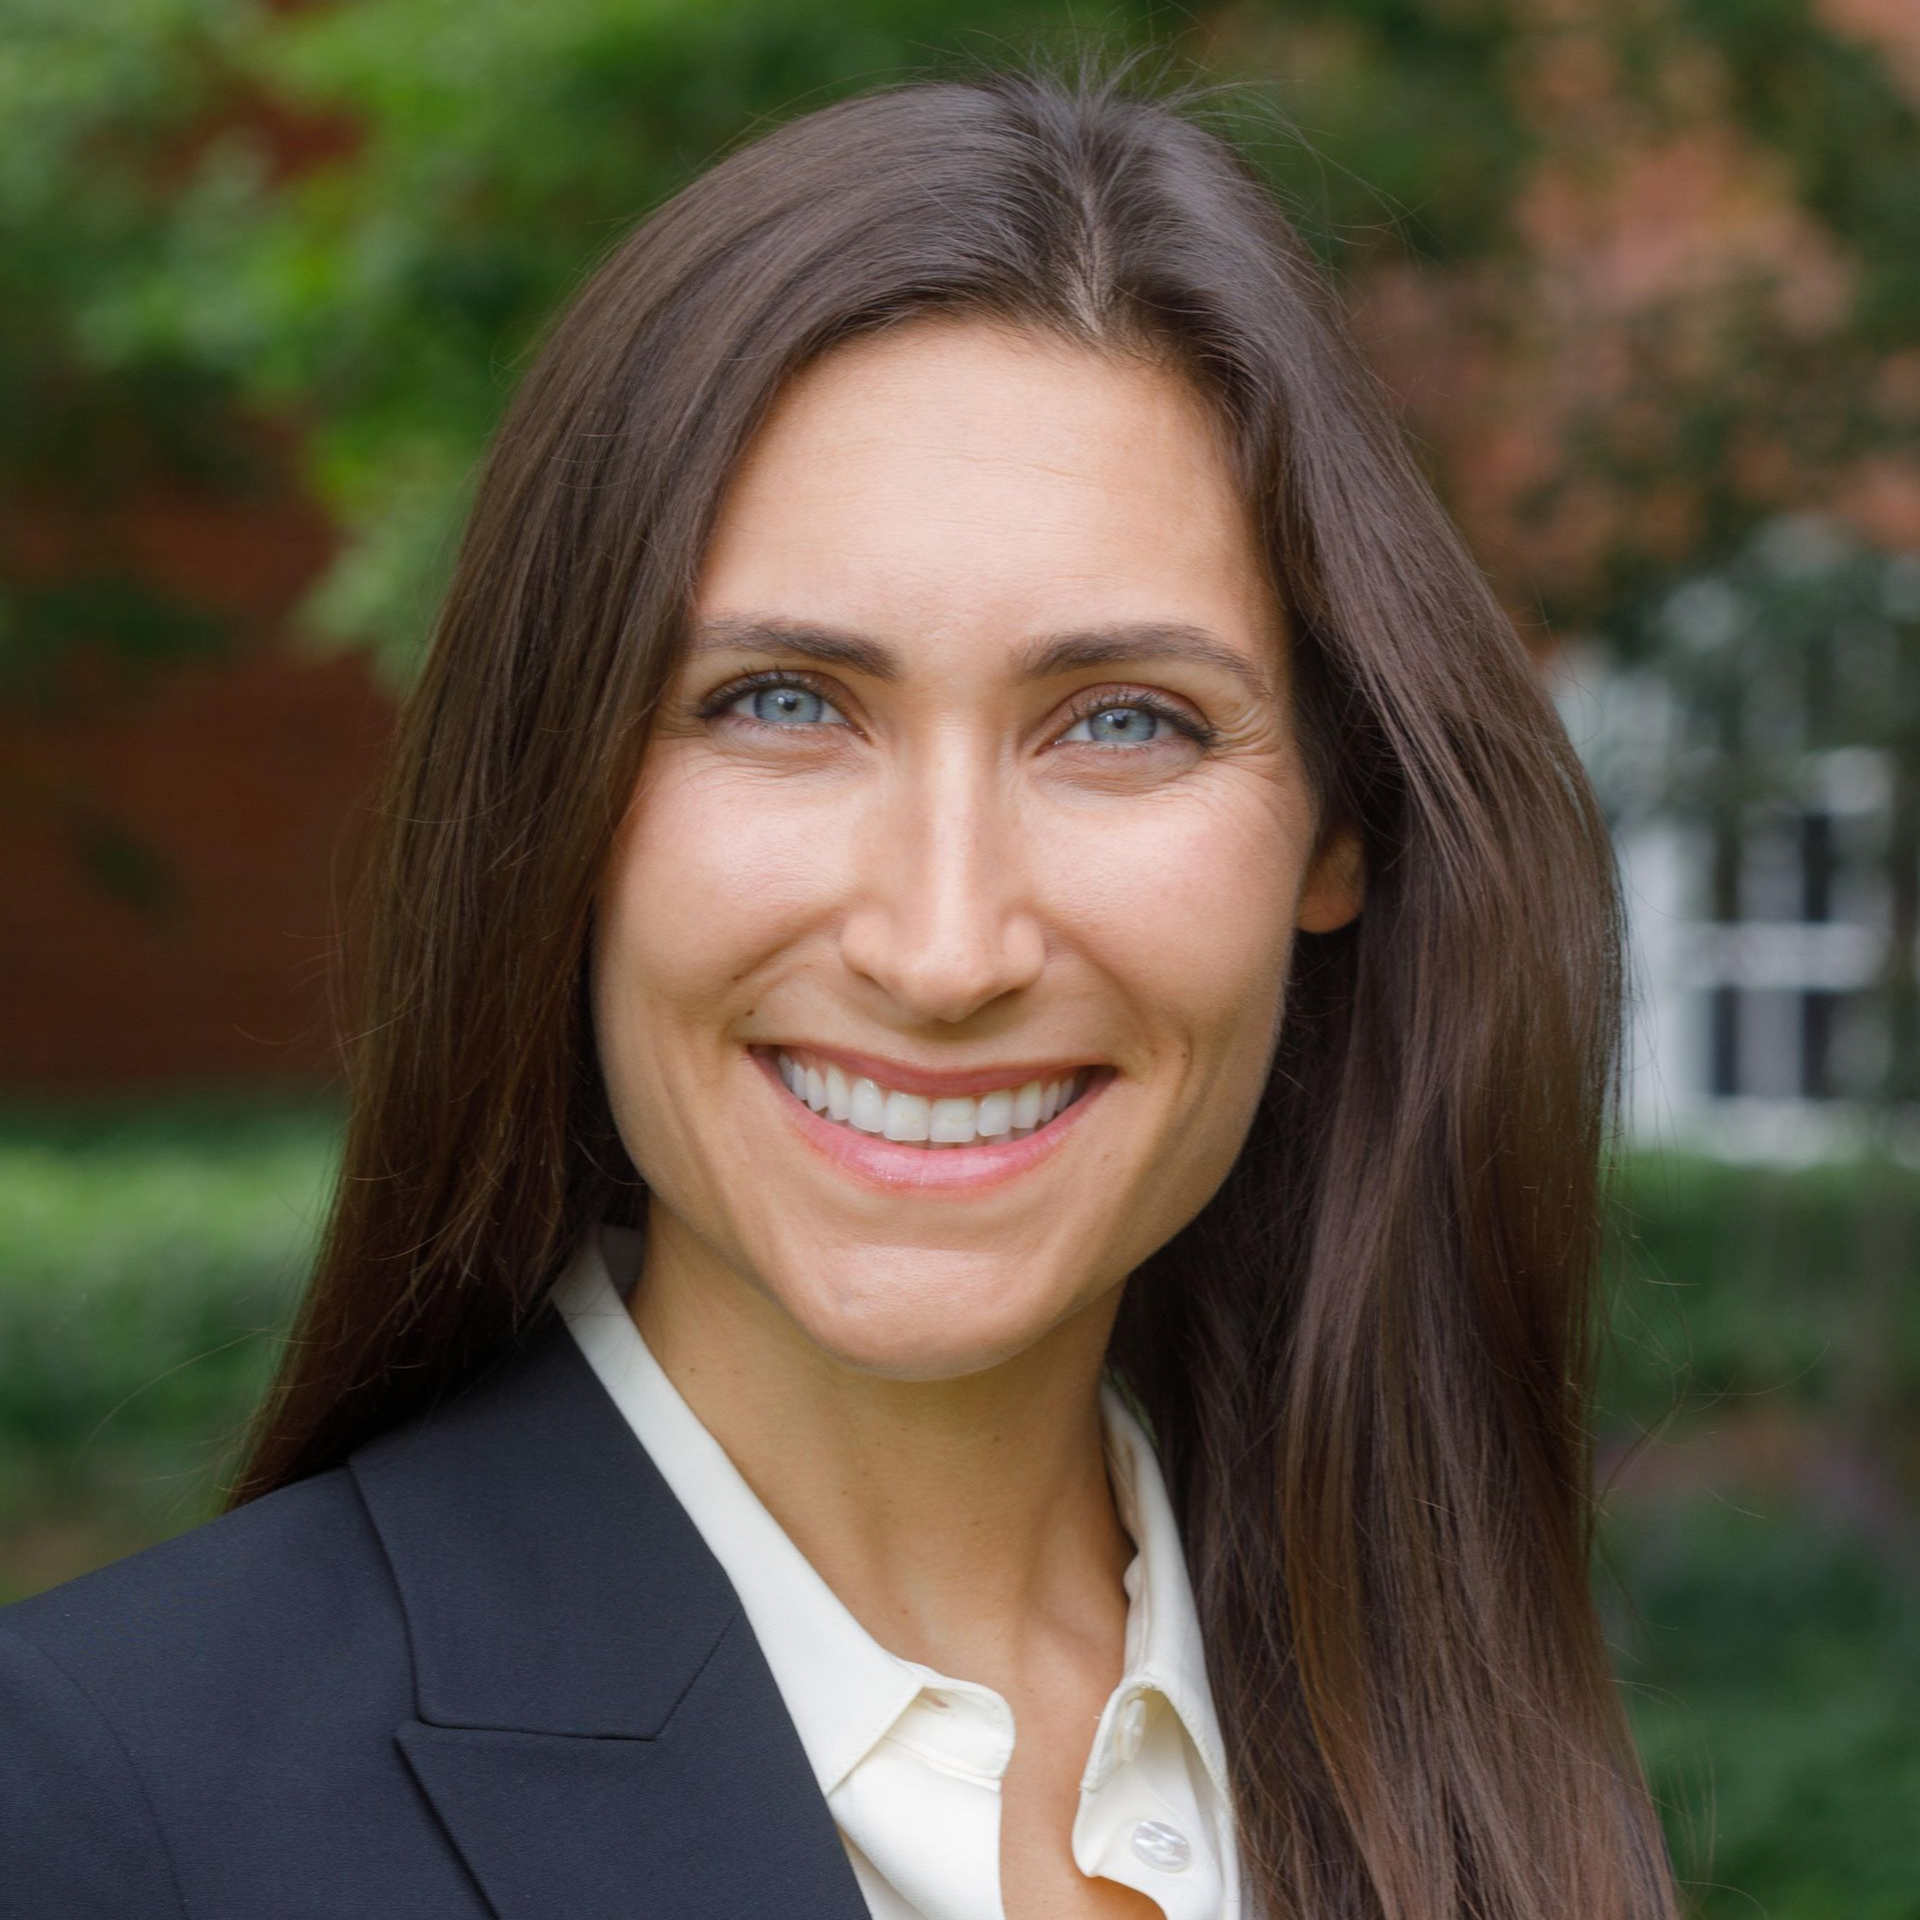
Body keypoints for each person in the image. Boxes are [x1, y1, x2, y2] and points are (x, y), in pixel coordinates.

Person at [0, 57, 1682, 1920]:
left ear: (1336, 834)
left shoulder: (1461, 1746)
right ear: (555, 803)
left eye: (1123, 721)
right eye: (781, 706)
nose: (944, 948)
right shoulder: (102, 1808)